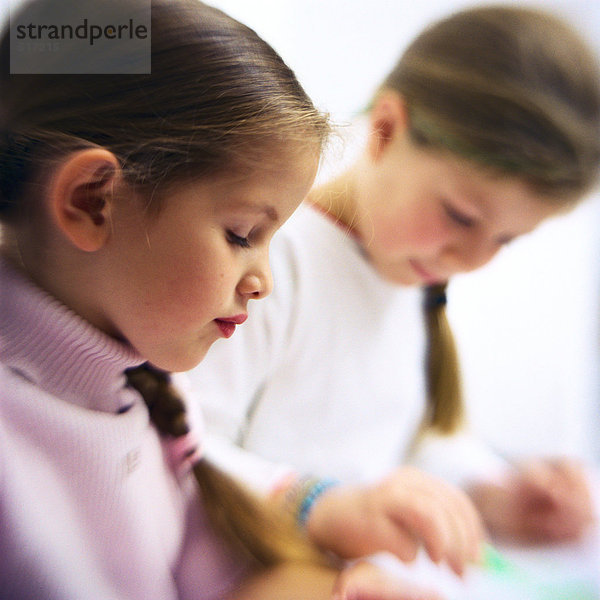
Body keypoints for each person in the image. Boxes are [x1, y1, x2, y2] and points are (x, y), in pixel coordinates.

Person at [0, 1, 470, 598]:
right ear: (93, 200)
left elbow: (216, 580)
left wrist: (345, 589)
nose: (263, 281)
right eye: (242, 235)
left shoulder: (149, 393)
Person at [189, 3, 600, 568]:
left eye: (506, 240)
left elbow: (390, 441)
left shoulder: (404, 276)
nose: (474, 259)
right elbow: (178, 443)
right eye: (461, 216)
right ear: (384, 130)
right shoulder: (272, 262)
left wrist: (494, 497)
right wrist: (318, 504)